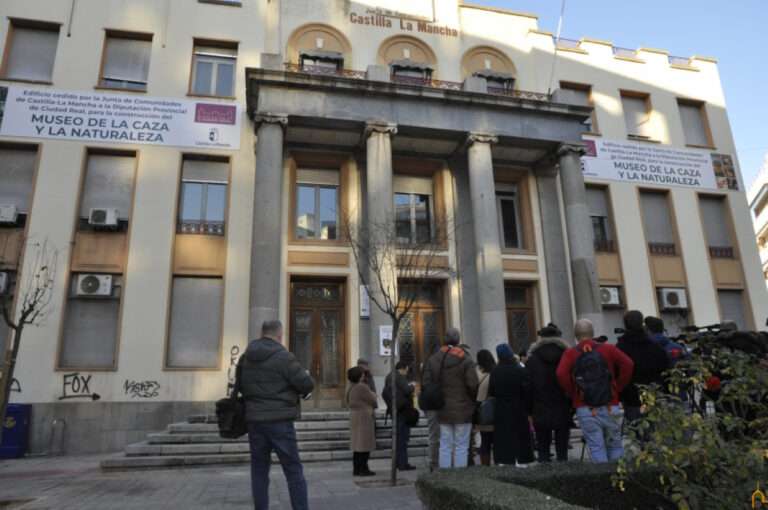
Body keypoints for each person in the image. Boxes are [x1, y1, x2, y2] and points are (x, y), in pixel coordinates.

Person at [236, 320, 314, 510]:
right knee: (293, 470)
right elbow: (306, 384)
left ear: (261, 333)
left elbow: (239, 385)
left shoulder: (245, 357)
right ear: (280, 335)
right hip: (280, 422)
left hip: (254, 420)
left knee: (259, 470)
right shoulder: (284, 357)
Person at [556, 319, 634, 463]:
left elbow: (561, 374)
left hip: (585, 406)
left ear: (575, 335)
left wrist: (574, 392)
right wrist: (618, 386)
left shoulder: (570, 353)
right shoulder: (608, 349)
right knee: (615, 445)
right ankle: (619, 480)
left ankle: (603, 481)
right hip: (611, 403)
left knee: (596, 447)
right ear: (593, 333)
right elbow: (628, 364)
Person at [423, 328, 479, 469]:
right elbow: (473, 384)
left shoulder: (434, 358)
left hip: (442, 408)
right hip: (462, 408)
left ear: (445, 340)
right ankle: (458, 478)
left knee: (445, 444)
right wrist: (472, 400)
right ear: (458, 340)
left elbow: (426, 382)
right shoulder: (465, 358)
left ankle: (445, 477)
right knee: (461, 445)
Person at [526, 323, 572, 462]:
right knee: (562, 449)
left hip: (540, 406)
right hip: (562, 405)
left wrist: (529, 410)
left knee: (543, 448)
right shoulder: (566, 355)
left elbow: (528, 387)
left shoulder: (532, 359)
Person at [617, 311, 670, 424]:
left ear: (625, 325)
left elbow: (617, 372)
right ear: (642, 324)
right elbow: (665, 367)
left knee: (637, 431)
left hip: (631, 396)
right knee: (654, 431)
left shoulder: (620, 348)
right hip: (653, 393)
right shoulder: (655, 346)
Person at [489, 343, 534, 467]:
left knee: (504, 438)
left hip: (502, 410)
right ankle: (522, 462)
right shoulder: (520, 370)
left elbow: (492, 391)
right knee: (521, 438)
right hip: (519, 409)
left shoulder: (495, 372)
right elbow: (527, 392)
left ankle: (505, 461)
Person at [383, 361, 416, 471]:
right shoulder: (399, 377)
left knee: (398, 438)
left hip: (395, 410)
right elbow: (407, 390)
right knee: (402, 438)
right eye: (407, 370)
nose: (407, 372)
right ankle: (402, 464)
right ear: (404, 368)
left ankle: (398, 463)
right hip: (402, 411)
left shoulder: (389, 376)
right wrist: (412, 386)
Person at [347, 366, 377, 477]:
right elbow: (373, 399)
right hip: (363, 418)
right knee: (364, 445)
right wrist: (373, 393)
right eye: (362, 374)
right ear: (359, 376)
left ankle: (357, 469)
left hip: (355, 417)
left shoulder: (350, 386)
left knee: (357, 446)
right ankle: (363, 469)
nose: (364, 375)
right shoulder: (362, 387)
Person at [475, 349, 497, 466]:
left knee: (485, 441)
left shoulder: (477, 374)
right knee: (497, 441)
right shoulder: (495, 372)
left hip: (481, 411)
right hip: (494, 410)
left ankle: (485, 466)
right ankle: (499, 464)